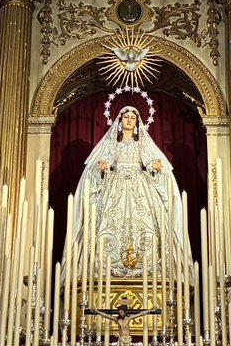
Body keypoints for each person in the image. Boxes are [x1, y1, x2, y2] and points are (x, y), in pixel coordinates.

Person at [72, 104, 186, 277]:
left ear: (137, 123)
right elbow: (104, 161)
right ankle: (107, 266)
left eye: (133, 118)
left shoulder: (141, 143)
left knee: (145, 224)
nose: (129, 120)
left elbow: (149, 161)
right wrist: (103, 167)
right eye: (126, 117)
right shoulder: (112, 143)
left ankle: (145, 265)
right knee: (108, 222)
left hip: (139, 187)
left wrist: (154, 166)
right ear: (119, 120)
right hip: (115, 185)